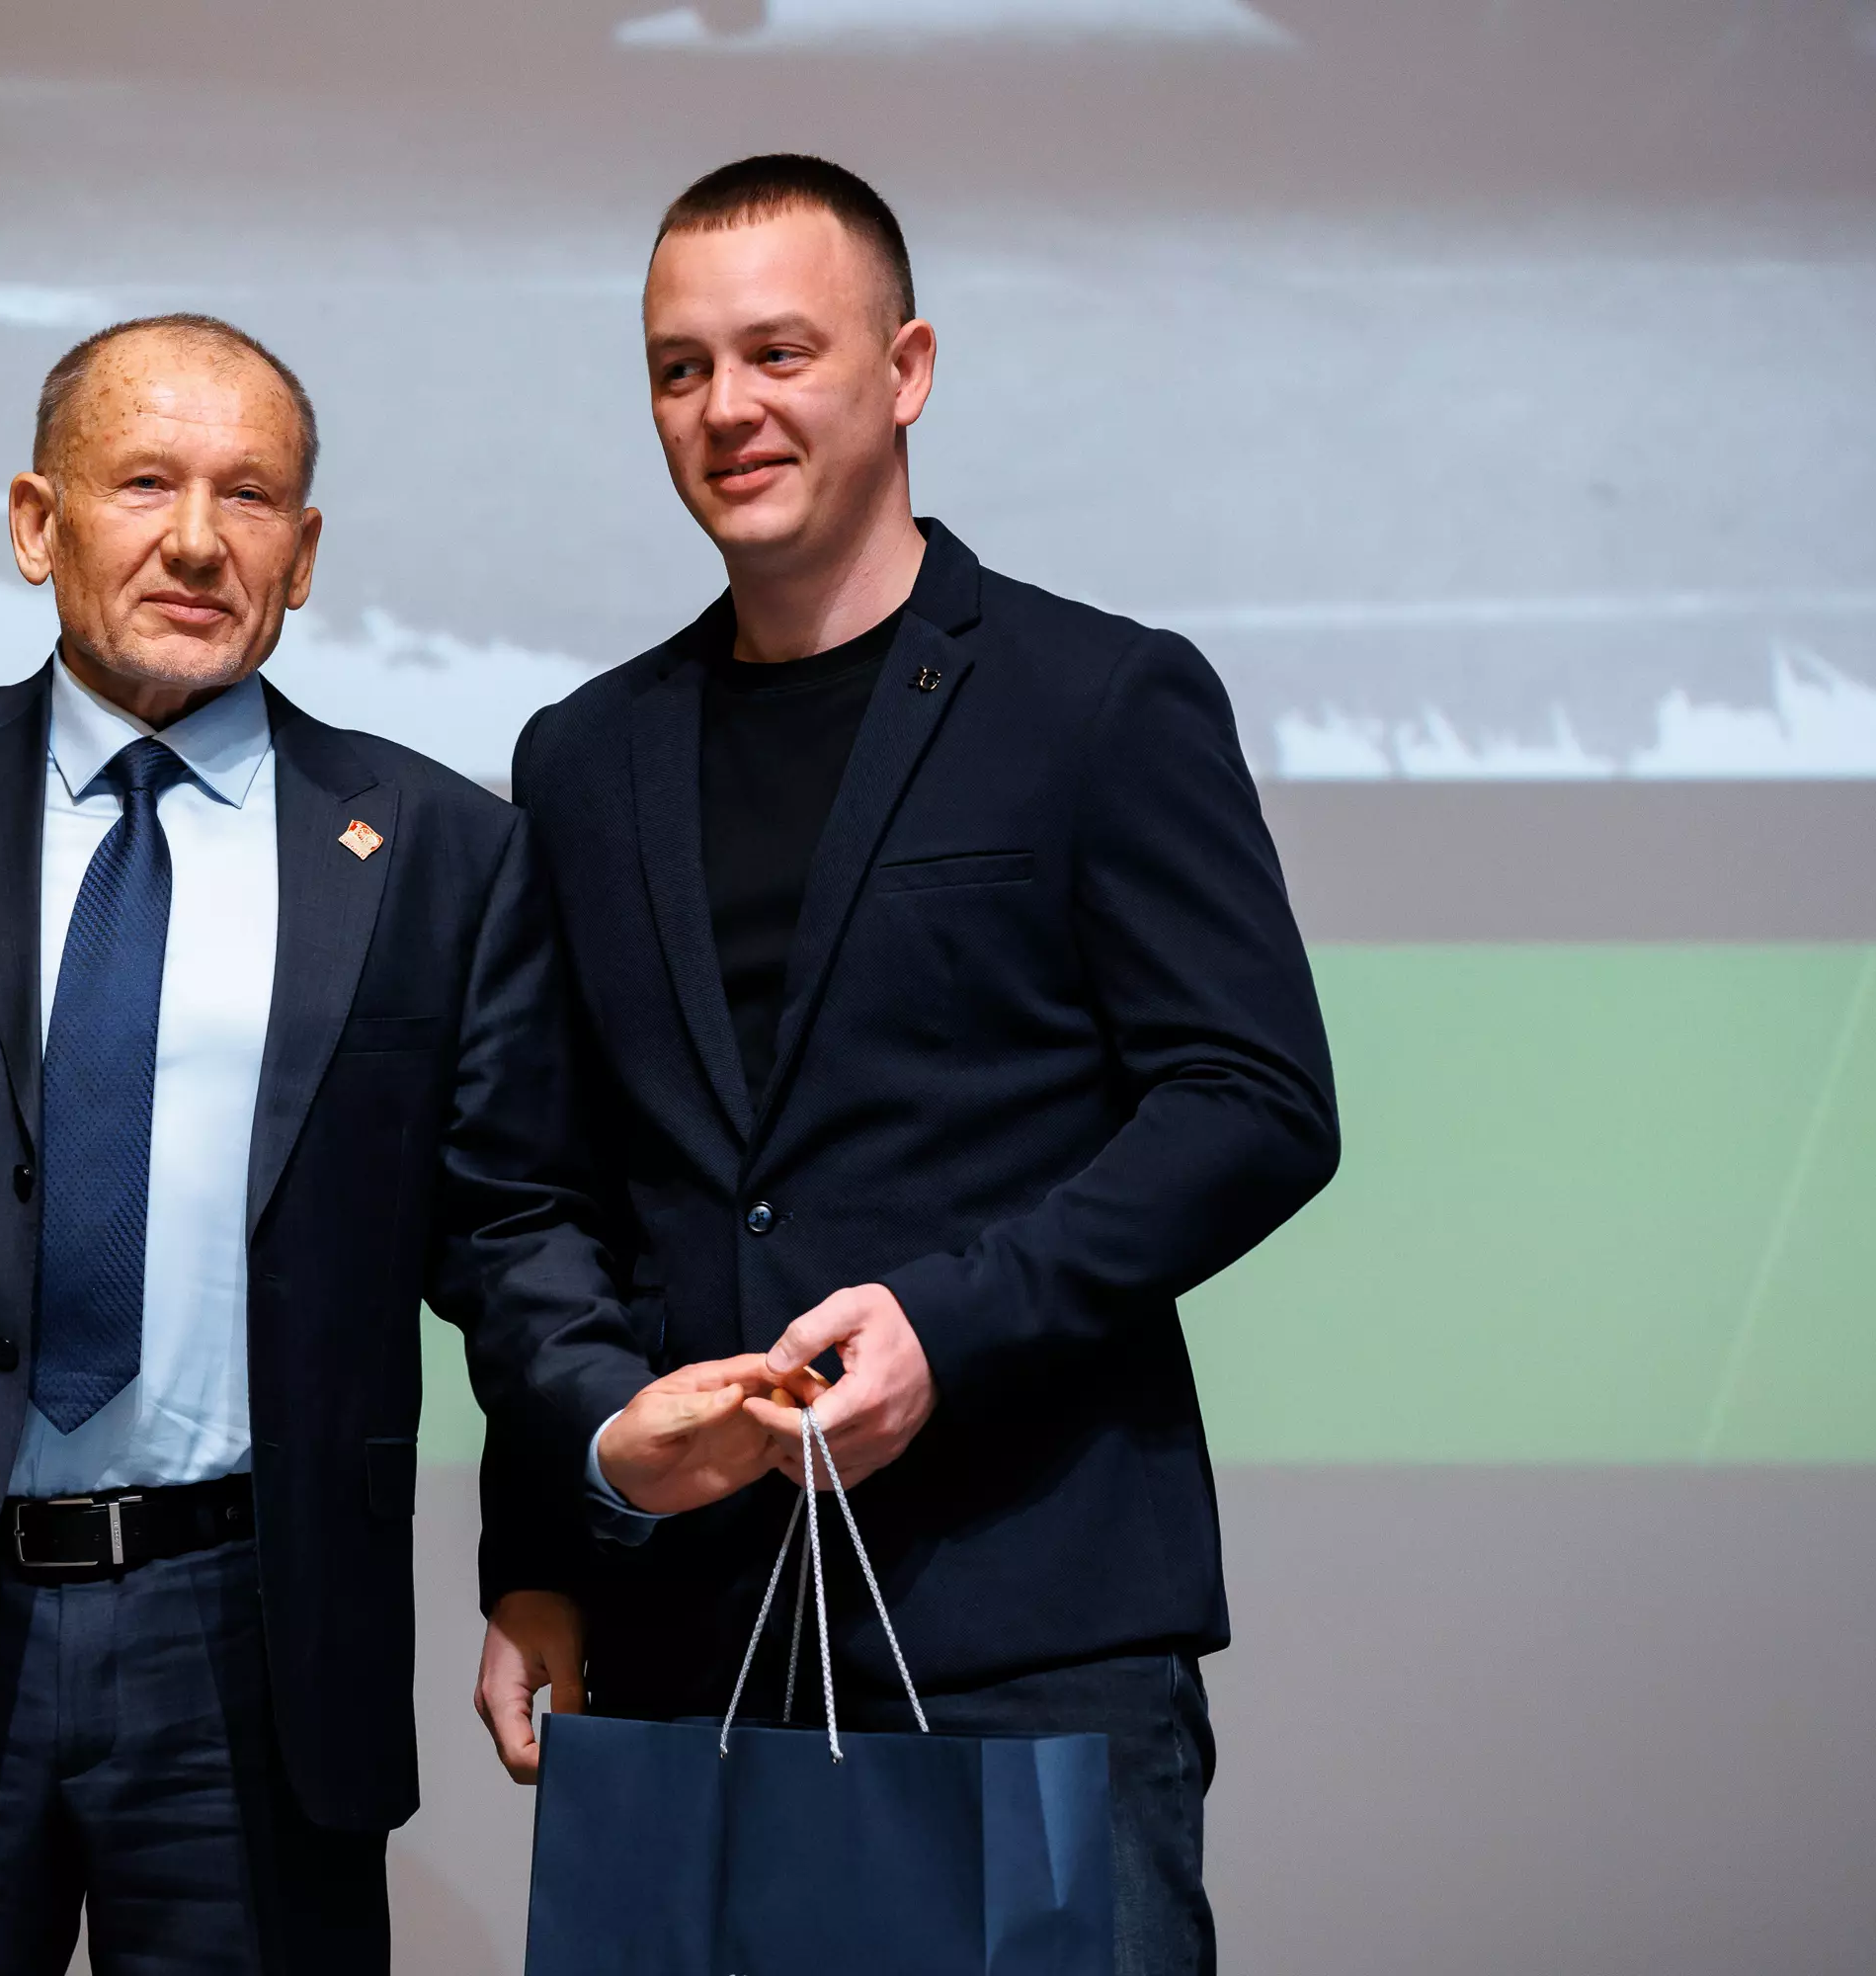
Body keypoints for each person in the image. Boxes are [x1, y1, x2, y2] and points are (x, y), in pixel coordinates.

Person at [0, 313, 695, 1974]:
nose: (197, 540)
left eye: (248, 496)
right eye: (143, 483)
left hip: (256, 1640)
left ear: (304, 554)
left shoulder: (437, 847)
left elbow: (513, 1239)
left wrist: (590, 1482)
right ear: (36, 521)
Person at [476, 157, 1342, 1973]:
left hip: (1029, 1630)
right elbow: (539, 1193)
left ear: (907, 369)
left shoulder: (1101, 698)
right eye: (680, 368)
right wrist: (560, 1519)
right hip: (685, 1636)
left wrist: (949, 1326)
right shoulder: (580, 757)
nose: (727, 407)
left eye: (779, 352)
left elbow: (1254, 1102)